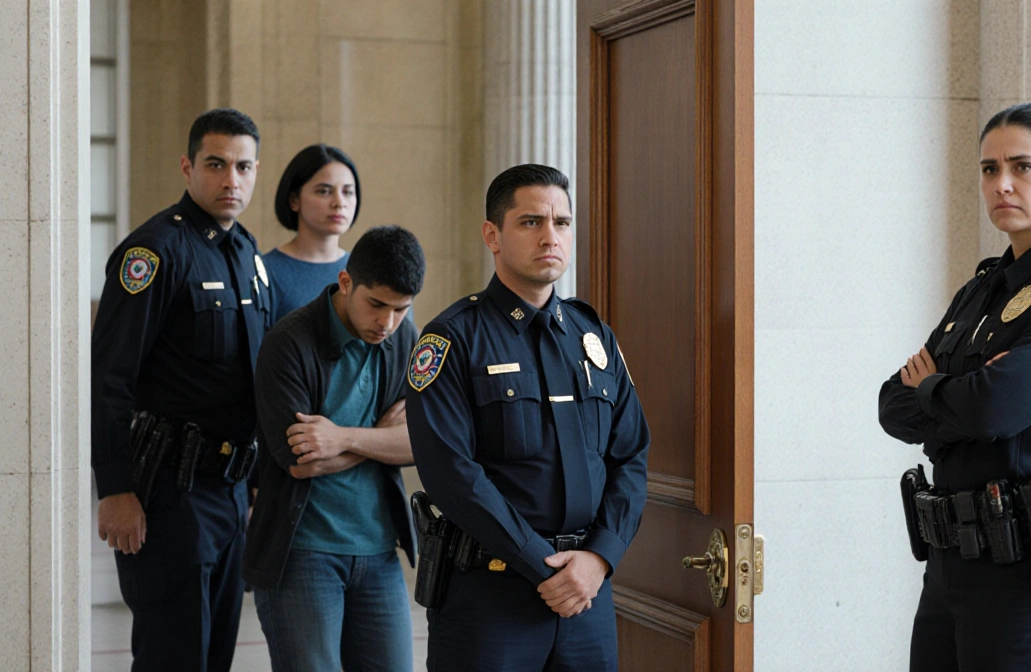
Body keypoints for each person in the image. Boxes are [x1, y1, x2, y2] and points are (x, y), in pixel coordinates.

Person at [878, 102, 1031, 671]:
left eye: (1022, 167)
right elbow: (893, 404)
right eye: (989, 169)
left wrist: (939, 388)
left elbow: (992, 410)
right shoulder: (982, 288)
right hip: (948, 568)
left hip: (1024, 577)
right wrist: (954, 391)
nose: (1002, 184)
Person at [406, 164, 651, 671]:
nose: (550, 236)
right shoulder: (452, 338)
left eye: (561, 223)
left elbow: (630, 455)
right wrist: (542, 567)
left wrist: (600, 557)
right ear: (492, 235)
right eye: (531, 222)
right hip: (490, 599)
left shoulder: (594, 338)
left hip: (586, 594)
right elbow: (452, 474)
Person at [91, 107, 268, 671]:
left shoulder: (248, 254)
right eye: (216, 164)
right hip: (170, 492)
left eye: (243, 167)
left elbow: (253, 380)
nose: (230, 180)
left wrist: (258, 483)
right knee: (175, 657)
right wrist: (115, 488)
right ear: (188, 167)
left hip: (231, 490)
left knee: (215, 658)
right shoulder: (153, 253)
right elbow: (109, 378)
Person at [244, 225, 424, 672]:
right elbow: (300, 463)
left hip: (379, 551)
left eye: (401, 309)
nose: (387, 323)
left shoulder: (404, 338)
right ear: (346, 283)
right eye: (376, 304)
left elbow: (423, 441)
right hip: (301, 553)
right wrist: (383, 438)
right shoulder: (288, 343)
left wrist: (342, 437)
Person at [262, 143, 360, 324]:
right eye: (324, 191)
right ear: (294, 200)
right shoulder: (266, 272)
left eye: (348, 192)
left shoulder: (364, 269)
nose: (339, 202)